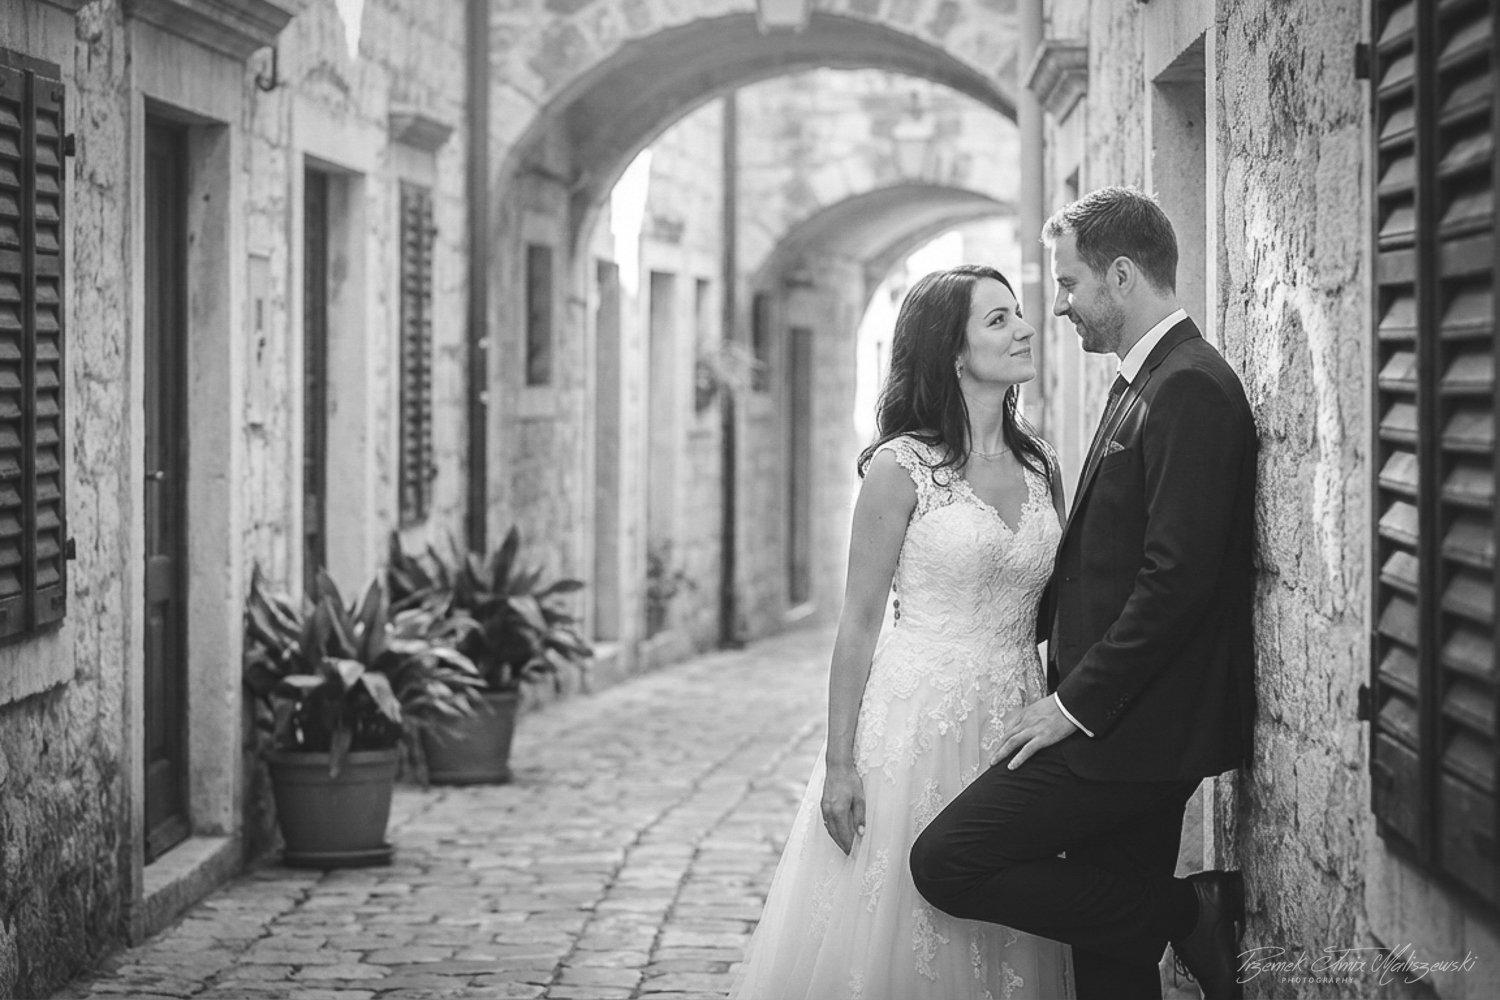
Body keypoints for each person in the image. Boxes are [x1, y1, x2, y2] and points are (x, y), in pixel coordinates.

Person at [909, 187, 1257, 1000]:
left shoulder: (1191, 387)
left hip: (1131, 732)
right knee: (1107, 964)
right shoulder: (1147, 378)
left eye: (1068, 286)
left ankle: (1183, 913)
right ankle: (1173, 915)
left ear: (1123, 275)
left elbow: (1178, 580)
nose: (1058, 308)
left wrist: (1072, 709)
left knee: (947, 859)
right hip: (1116, 719)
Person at [729, 265, 1075, 1000]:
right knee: (904, 921)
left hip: (1016, 718)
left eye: (1019, 314)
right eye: (998, 320)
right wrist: (839, 763)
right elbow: (856, 624)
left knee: (1005, 910)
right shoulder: (899, 468)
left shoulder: (1041, 463)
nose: (1023, 328)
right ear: (952, 352)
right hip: (917, 723)